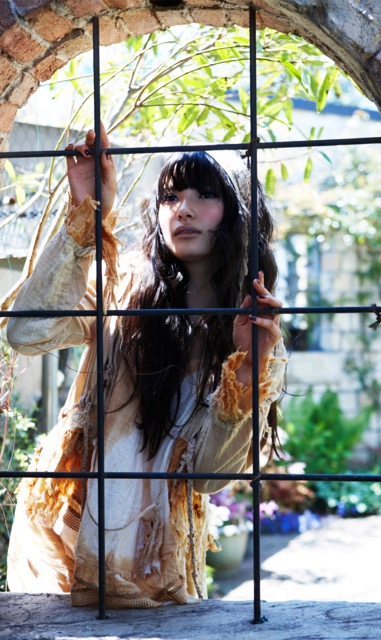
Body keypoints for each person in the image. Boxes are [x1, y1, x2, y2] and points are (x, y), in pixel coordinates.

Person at [6, 124, 287, 608]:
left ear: (239, 209)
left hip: (159, 565)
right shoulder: (120, 287)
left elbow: (208, 478)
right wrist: (86, 214)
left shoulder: (259, 331)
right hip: (66, 544)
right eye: (170, 196)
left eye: (204, 195)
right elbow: (26, 333)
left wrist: (246, 370)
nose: (183, 209)